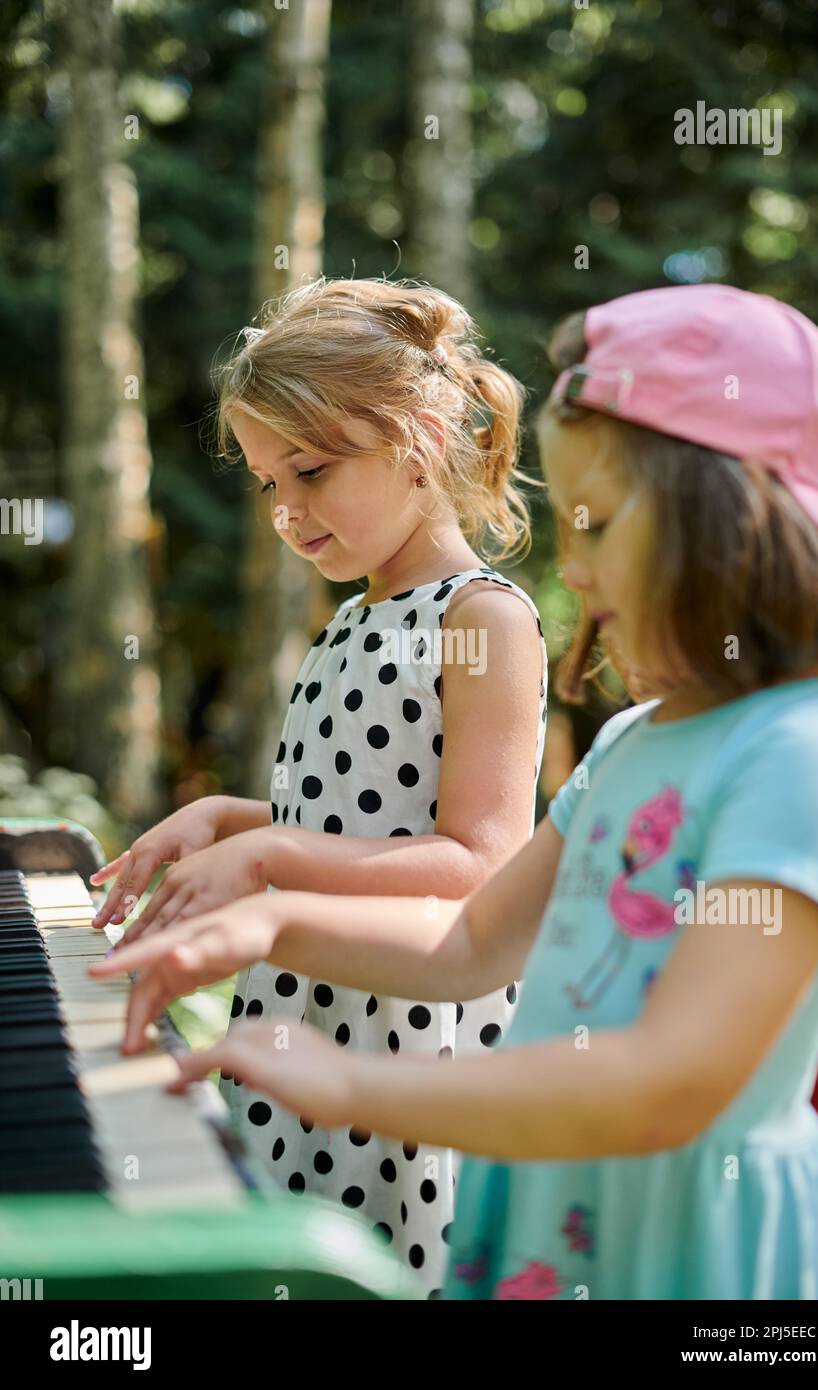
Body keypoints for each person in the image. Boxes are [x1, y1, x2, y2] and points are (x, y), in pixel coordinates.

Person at [94, 284, 818, 1299]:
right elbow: (469, 945)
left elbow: (668, 1081)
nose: (570, 569)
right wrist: (262, 929)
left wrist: (362, 1082)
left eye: (591, 524)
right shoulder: (633, 742)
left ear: (721, 520)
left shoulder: (803, 758)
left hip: (696, 1243)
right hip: (554, 1202)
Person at [90, 277, 548, 1294]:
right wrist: (234, 818)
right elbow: (353, 818)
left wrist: (270, 853)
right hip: (307, 1008)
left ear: (421, 433)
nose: (287, 511)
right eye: (265, 482)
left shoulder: (481, 619)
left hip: (407, 1032)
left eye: (310, 468)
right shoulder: (351, 617)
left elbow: (479, 862)